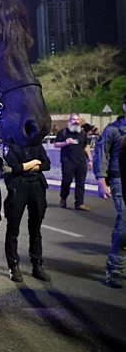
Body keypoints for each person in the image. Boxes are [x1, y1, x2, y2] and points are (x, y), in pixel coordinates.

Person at [3, 141, 52, 282]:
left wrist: (26, 166)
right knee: (13, 229)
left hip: (37, 186)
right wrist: (35, 163)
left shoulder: (37, 145)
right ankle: (13, 266)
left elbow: (46, 164)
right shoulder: (13, 146)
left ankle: (37, 265)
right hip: (19, 187)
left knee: (36, 229)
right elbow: (14, 167)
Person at [93, 99, 126, 289]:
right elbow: (102, 154)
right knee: (124, 222)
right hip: (119, 180)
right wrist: (101, 181)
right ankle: (115, 269)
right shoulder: (113, 130)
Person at [55, 113, 93, 211]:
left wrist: (90, 160)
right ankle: (63, 198)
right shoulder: (63, 132)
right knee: (67, 181)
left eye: (77, 119)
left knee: (80, 182)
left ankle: (79, 203)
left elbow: (86, 146)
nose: (75, 121)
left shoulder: (83, 133)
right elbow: (56, 144)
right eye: (73, 120)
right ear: (69, 121)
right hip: (68, 161)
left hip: (81, 161)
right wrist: (65, 142)